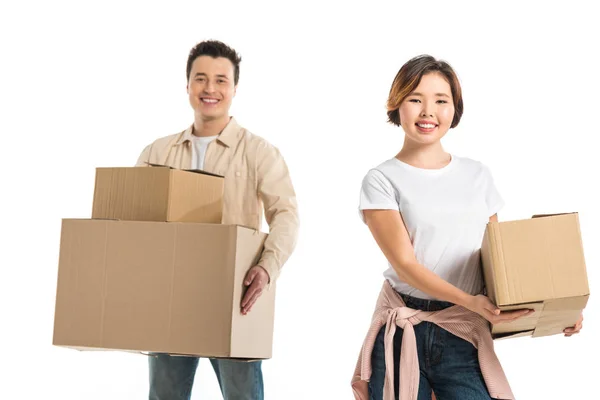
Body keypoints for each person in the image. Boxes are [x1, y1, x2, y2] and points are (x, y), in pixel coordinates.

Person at [351, 55, 583, 400]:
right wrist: (470, 301)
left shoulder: (477, 176)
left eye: (441, 101)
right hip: (404, 334)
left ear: (454, 110)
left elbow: (496, 263)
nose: (428, 111)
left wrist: (553, 314)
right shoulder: (382, 180)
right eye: (416, 99)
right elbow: (406, 265)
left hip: (462, 331)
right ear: (397, 105)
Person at [135, 40, 299, 400]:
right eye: (201, 79)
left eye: (221, 80)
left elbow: (286, 215)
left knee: (242, 394)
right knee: (165, 395)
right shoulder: (156, 153)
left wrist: (267, 267)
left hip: (234, 295)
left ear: (234, 88)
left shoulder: (258, 152)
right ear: (188, 85)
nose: (210, 89)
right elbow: (136, 222)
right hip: (170, 297)